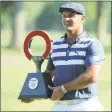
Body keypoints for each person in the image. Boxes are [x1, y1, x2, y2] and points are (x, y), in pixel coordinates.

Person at [22, 2, 105, 111]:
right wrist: (34, 92)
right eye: (64, 16)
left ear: (82, 18)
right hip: (59, 106)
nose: (66, 19)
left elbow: (91, 76)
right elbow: (49, 74)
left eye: (71, 15)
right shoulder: (56, 46)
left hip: (85, 105)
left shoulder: (92, 44)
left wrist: (63, 89)